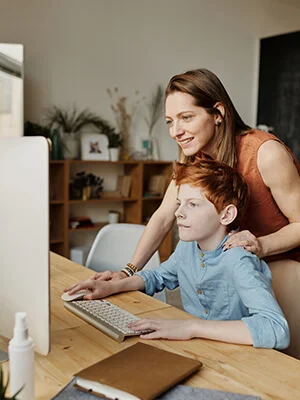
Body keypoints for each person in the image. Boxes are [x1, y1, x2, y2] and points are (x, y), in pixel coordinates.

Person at [93, 69, 300, 358]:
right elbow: (165, 215)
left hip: (280, 269)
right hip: (234, 268)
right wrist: (128, 271)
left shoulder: (266, 153)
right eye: (170, 121)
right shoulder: (193, 156)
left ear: (218, 113)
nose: (175, 131)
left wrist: (261, 245)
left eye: (186, 117)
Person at [65, 160, 290, 349]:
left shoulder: (238, 258)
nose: (178, 213)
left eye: (192, 204)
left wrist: (191, 327)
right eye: (180, 203)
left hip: (238, 356)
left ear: (226, 214)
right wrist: (113, 286)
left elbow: (275, 328)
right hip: (199, 347)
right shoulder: (188, 247)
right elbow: (159, 276)